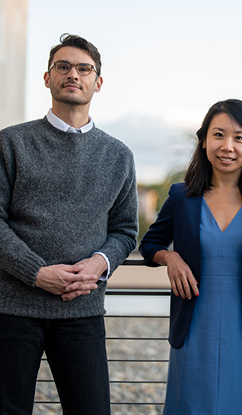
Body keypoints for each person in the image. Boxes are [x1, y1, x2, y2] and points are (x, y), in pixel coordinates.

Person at [0, 34, 138, 414]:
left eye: (83, 68)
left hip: (83, 309)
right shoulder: (10, 143)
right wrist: (36, 273)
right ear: (48, 78)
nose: (72, 74)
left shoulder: (118, 155)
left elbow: (126, 230)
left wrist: (100, 263)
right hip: (12, 310)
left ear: (98, 82)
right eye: (63, 66)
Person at [140, 99, 242, 414]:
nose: (228, 146)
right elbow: (150, 244)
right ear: (204, 141)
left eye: (239, 137)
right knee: (193, 400)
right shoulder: (180, 196)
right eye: (218, 135)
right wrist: (170, 259)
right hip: (196, 318)